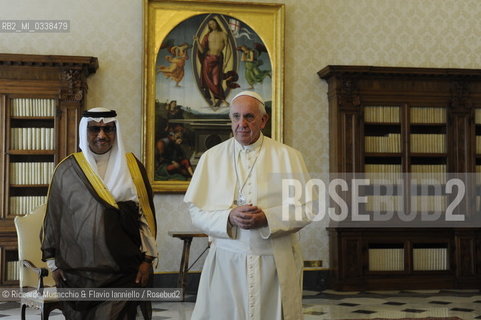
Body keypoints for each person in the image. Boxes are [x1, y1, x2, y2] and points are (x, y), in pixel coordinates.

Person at [184, 91, 312, 320]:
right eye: (235, 117)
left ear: (263, 120)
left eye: (249, 117)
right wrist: (229, 217)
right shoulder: (211, 158)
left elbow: (308, 209)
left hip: (275, 261)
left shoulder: (289, 157)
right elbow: (196, 211)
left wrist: (268, 218)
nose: (241, 124)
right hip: (226, 261)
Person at [41, 107, 158, 320]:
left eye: (108, 129)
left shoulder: (132, 168)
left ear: (116, 131)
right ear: (84, 131)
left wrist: (147, 260)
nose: (101, 135)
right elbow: (54, 219)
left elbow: (145, 219)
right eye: (94, 129)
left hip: (124, 270)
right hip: (78, 272)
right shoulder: (67, 170)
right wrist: (52, 263)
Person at [195, 18, 232, 108]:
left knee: (216, 81)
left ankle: (222, 100)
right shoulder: (208, 35)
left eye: (213, 23)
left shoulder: (223, 34)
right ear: (209, 26)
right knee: (208, 81)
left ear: (217, 23)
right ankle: (214, 101)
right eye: (210, 24)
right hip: (207, 59)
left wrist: (226, 62)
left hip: (217, 59)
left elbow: (229, 50)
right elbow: (202, 50)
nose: (212, 25)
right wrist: (197, 41)